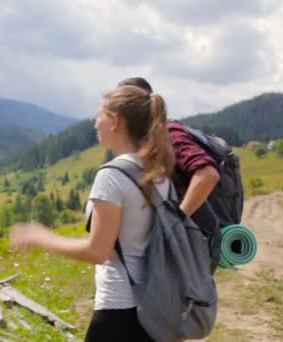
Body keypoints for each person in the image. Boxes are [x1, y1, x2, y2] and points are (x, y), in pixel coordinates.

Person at [11, 85, 175, 341]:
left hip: (120, 309)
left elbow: (98, 251)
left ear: (115, 121)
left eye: (99, 114)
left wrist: (42, 238)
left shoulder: (112, 175)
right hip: (155, 305)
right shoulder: (158, 172)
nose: (94, 123)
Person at [118, 77, 222, 272]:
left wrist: (175, 223)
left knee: (185, 301)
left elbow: (207, 174)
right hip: (183, 241)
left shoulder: (170, 133)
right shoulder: (145, 139)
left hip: (195, 239)